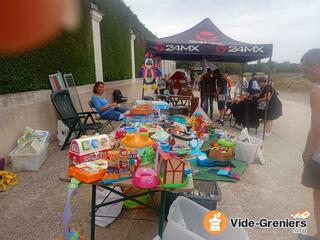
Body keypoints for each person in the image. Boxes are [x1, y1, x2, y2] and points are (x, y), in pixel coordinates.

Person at [299, 49, 320, 240]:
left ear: (316, 67)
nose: (304, 74)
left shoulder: (317, 91)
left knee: (319, 198)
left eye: (305, 70)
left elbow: (317, 130)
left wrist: (307, 153)